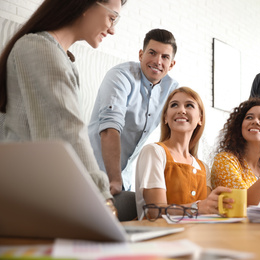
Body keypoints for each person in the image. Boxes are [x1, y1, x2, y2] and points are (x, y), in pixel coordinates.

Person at [0, 0, 127, 210]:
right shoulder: (39, 48)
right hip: (27, 203)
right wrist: (102, 200)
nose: (112, 30)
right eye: (112, 17)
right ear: (86, 6)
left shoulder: (57, 54)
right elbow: (67, 131)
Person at [88, 29, 179, 195]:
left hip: (125, 178)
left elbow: (178, 132)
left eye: (165, 57)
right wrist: (114, 180)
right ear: (141, 55)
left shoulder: (172, 89)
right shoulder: (120, 76)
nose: (158, 61)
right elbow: (110, 127)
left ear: (172, 64)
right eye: (152, 53)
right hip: (92, 172)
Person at [135, 87, 232, 220]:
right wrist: (197, 208)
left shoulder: (204, 167)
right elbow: (155, 211)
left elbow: (207, 212)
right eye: (174, 105)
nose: (181, 110)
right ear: (165, 118)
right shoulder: (154, 152)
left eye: (189, 105)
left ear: (200, 119)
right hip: (159, 237)